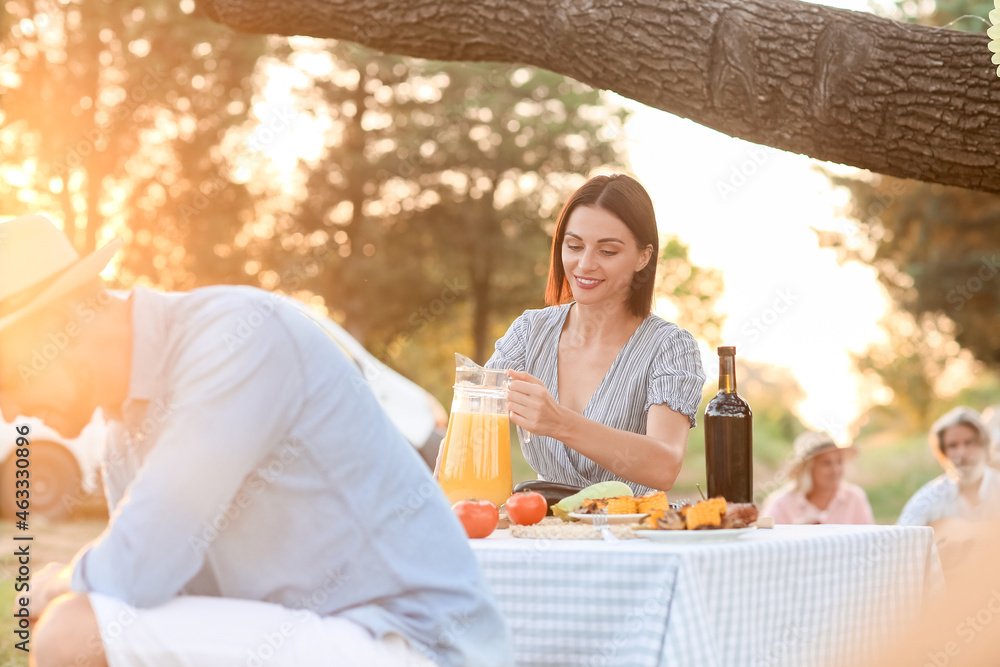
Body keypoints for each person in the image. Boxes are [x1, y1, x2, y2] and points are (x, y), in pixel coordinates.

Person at [0, 214, 512, 667]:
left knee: (72, 634)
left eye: (6, 377)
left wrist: (55, 582)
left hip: (417, 642)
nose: (6, 408)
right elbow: (148, 594)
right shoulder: (121, 433)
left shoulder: (234, 338)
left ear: (62, 327)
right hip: (325, 636)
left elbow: (136, 566)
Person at [484, 174, 706, 496]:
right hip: (546, 532)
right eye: (574, 246)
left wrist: (558, 421)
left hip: (629, 534)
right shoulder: (529, 333)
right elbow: (473, 420)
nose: (584, 264)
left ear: (643, 257)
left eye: (608, 252)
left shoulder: (669, 347)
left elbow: (665, 465)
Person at [897, 406, 1000, 568]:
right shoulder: (928, 499)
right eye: (953, 446)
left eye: (969, 442)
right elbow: (898, 544)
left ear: (984, 445)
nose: (962, 453)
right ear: (943, 453)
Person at [762, 431, 875, 525]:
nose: (835, 470)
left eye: (839, 461)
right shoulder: (782, 503)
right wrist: (795, 533)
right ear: (808, 469)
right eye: (826, 463)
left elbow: (870, 541)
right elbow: (766, 543)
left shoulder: (855, 497)